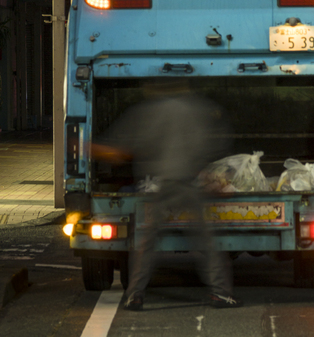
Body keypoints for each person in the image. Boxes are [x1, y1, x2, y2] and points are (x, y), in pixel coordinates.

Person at [96, 81, 238, 311]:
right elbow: (211, 145)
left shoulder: (147, 111)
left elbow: (124, 150)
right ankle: (221, 293)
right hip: (187, 183)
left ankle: (134, 295)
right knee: (205, 240)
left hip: (160, 185)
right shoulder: (196, 108)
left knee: (146, 243)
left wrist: (88, 147)